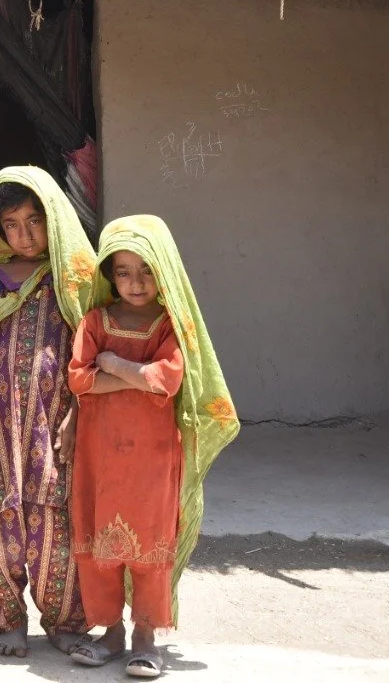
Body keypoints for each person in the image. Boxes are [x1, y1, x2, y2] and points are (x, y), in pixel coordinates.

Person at [66, 215, 240, 678]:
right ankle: (109, 634)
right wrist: (135, 375)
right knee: (97, 540)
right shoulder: (94, 320)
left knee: (149, 543)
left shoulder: (169, 326)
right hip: (100, 455)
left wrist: (111, 363)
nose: (136, 282)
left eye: (146, 270)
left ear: (164, 271)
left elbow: (167, 379)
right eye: (123, 272)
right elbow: (79, 379)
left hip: (154, 456)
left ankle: (145, 638)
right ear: (109, 275)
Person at [0, 166, 102, 658]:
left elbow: (90, 351)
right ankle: (5, 620)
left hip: (54, 417)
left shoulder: (75, 279)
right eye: (11, 225)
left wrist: (78, 414)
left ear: (54, 218)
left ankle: (66, 621)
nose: (24, 235)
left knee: (54, 518)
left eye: (34, 221)